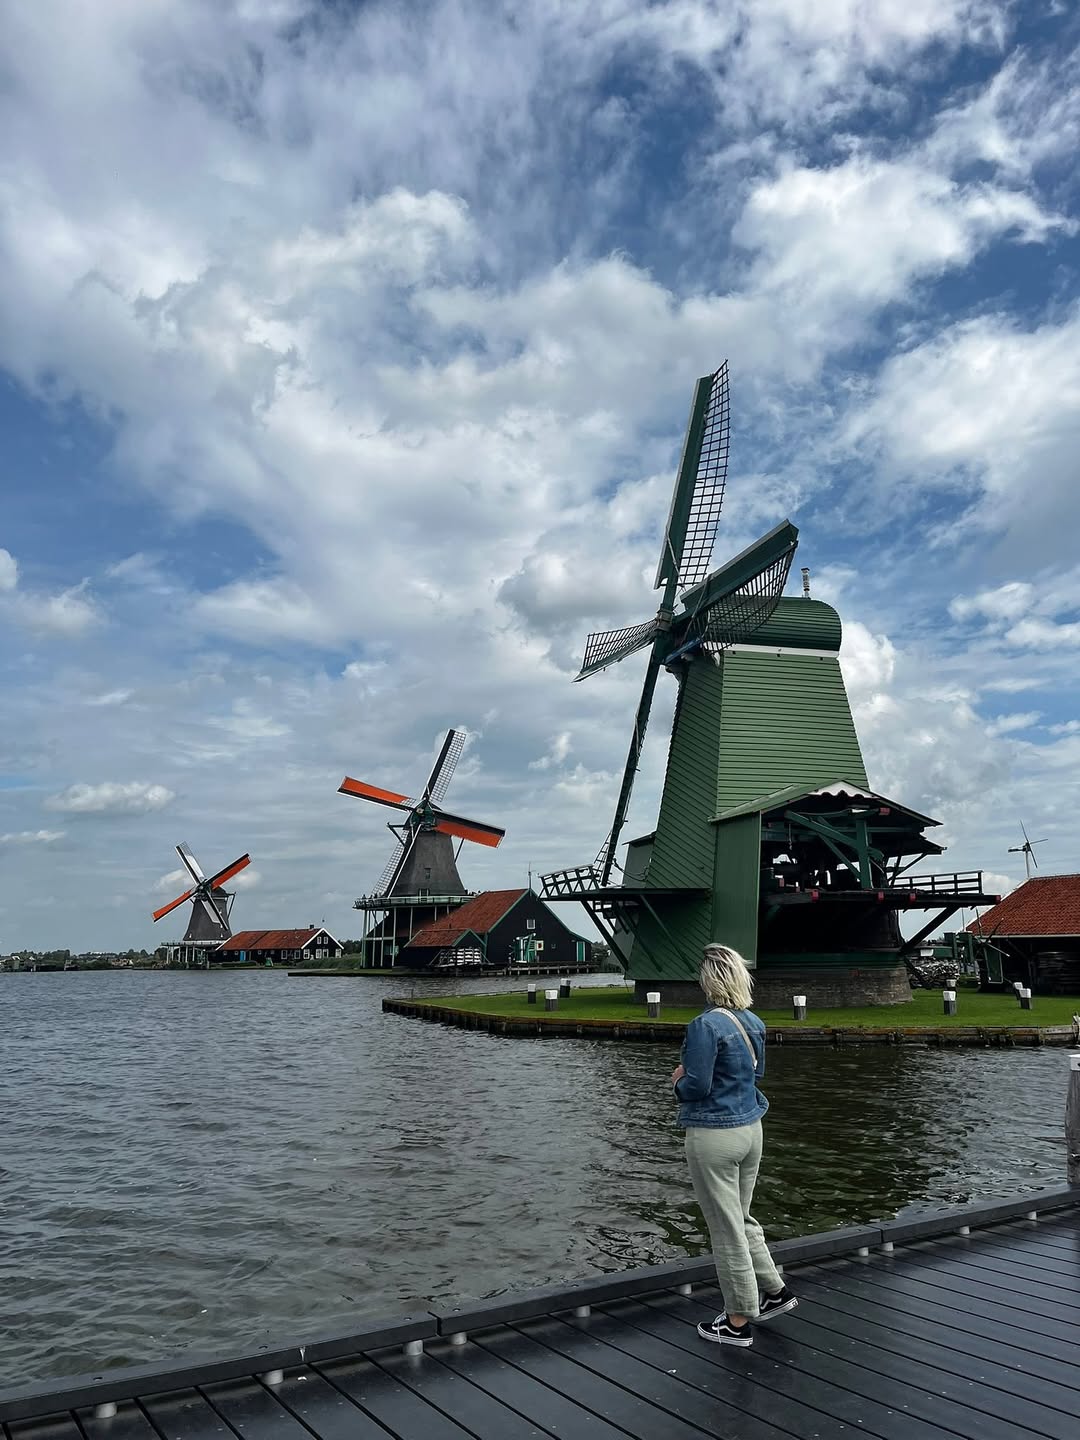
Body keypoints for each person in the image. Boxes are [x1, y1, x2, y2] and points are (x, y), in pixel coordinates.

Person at [671, 942, 797, 1346]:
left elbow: (697, 1086)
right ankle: (775, 1291)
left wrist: (676, 1080)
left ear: (707, 981)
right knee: (741, 1218)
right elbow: (756, 1075)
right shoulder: (753, 1022)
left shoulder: (704, 1025)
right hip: (750, 1129)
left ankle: (737, 1319)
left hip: (715, 1135)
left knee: (725, 1230)